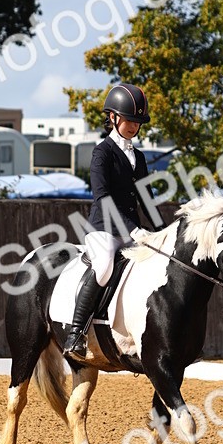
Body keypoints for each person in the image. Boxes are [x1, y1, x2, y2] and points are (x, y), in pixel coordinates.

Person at [62, 83, 166, 356]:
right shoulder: (102, 153)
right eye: (129, 120)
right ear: (113, 117)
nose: (133, 126)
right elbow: (103, 198)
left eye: (138, 122)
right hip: (103, 229)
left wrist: (161, 233)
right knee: (105, 266)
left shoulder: (139, 157)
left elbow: (146, 197)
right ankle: (76, 333)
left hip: (132, 231)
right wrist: (133, 230)